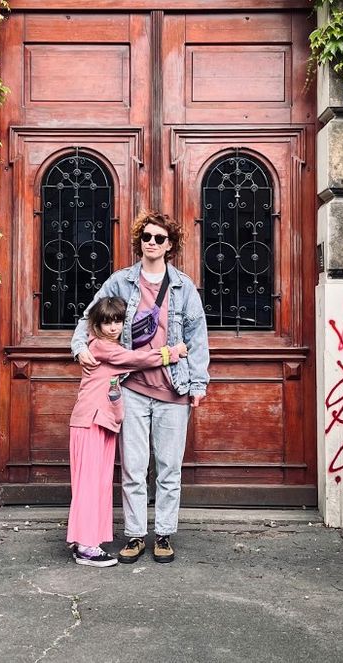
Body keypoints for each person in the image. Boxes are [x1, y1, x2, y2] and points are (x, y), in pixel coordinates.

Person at [71, 210, 211, 564]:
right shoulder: (121, 281)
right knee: (133, 468)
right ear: (140, 241)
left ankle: (163, 534)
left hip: (173, 390)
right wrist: (80, 347)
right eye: (147, 237)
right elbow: (89, 316)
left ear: (170, 245)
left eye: (159, 238)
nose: (152, 243)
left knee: (168, 468)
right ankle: (134, 535)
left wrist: (198, 383)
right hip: (131, 390)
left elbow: (197, 337)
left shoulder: (183, 287)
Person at [66, 296, 187, 567]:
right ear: (95, 325)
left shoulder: (107, 346)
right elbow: (137, 359)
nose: (113, 328)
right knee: (89, 485)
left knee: (97, 485)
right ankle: (86, 547)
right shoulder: (102, 347)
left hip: (103, 423)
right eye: (106, 322)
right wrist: (172, 352)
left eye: (118, 321)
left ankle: (86, 542)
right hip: (91, 422)